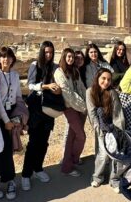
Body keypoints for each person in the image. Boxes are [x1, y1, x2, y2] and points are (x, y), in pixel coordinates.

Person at [22, 41, 59, 191]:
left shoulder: (55, 67)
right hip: (36, 108)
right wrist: (46, 86)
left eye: (51, 52)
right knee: (33, 143)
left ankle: (38, 169)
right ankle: (26, 174)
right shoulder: (34, 65)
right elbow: (30, 85)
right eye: (46, 52)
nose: (49, 55)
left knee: (44, 142)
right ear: (42, 52)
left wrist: (56, 90)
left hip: (49, 108)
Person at [0, 47, 24, 200]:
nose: (6, 59)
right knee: (0, 148)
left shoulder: (15, 75)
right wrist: (6, 121)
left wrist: (20, 116)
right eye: (3, 57)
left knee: (7, 148)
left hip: (11, 115)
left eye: (9, 57)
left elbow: (18, 97)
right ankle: (8, 180)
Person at [86, 68, 126, 189]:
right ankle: (97, 177)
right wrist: (99, 132)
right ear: (98, 78)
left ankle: (114, 179)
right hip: (100, 127)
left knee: (115, 153)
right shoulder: (90, 92)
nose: (106, 82)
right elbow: (92, 113)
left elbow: (117, 114)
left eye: (109, 79)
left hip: (113, 127)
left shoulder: (112, 93)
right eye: (103, 78)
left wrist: (118, 133)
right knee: (103, 154)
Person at [54, 48, 87, 177]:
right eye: (68, 56)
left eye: (72, 57)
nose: (71, 59)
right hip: (70, 108)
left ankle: (68, 165)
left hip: (81, 107)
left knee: (72, 137)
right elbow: (67, 94)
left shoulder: (75, 71)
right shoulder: (59, 72)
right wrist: (83, 106)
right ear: (63, 57)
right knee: (81, 136)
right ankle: (70, 162)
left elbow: (82, 88)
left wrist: (87, 103)